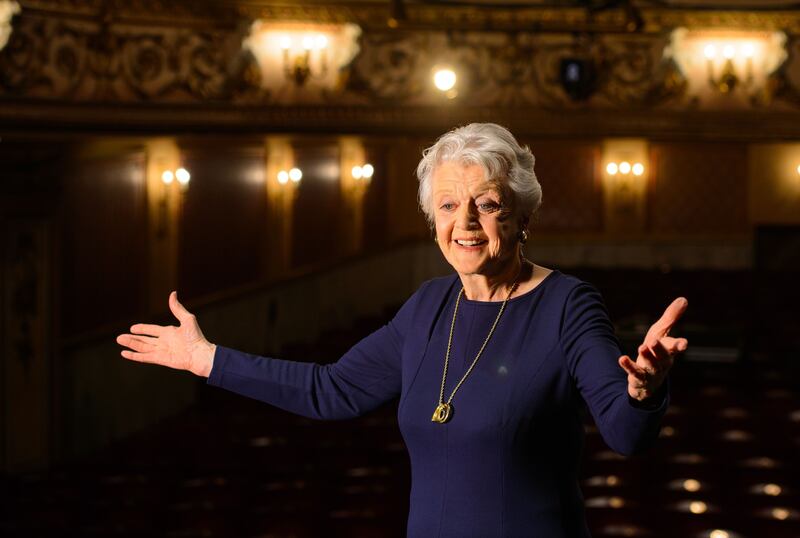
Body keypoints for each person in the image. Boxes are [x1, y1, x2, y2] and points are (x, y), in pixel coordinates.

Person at [117, 123, 688, 537]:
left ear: (522, 217)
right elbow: (331, 390)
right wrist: (208, 359)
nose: (464, 222)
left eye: (487, 204)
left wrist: (644, 391)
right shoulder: (428, 306)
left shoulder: (567, 304)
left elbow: (626, 435)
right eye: (447, 205)